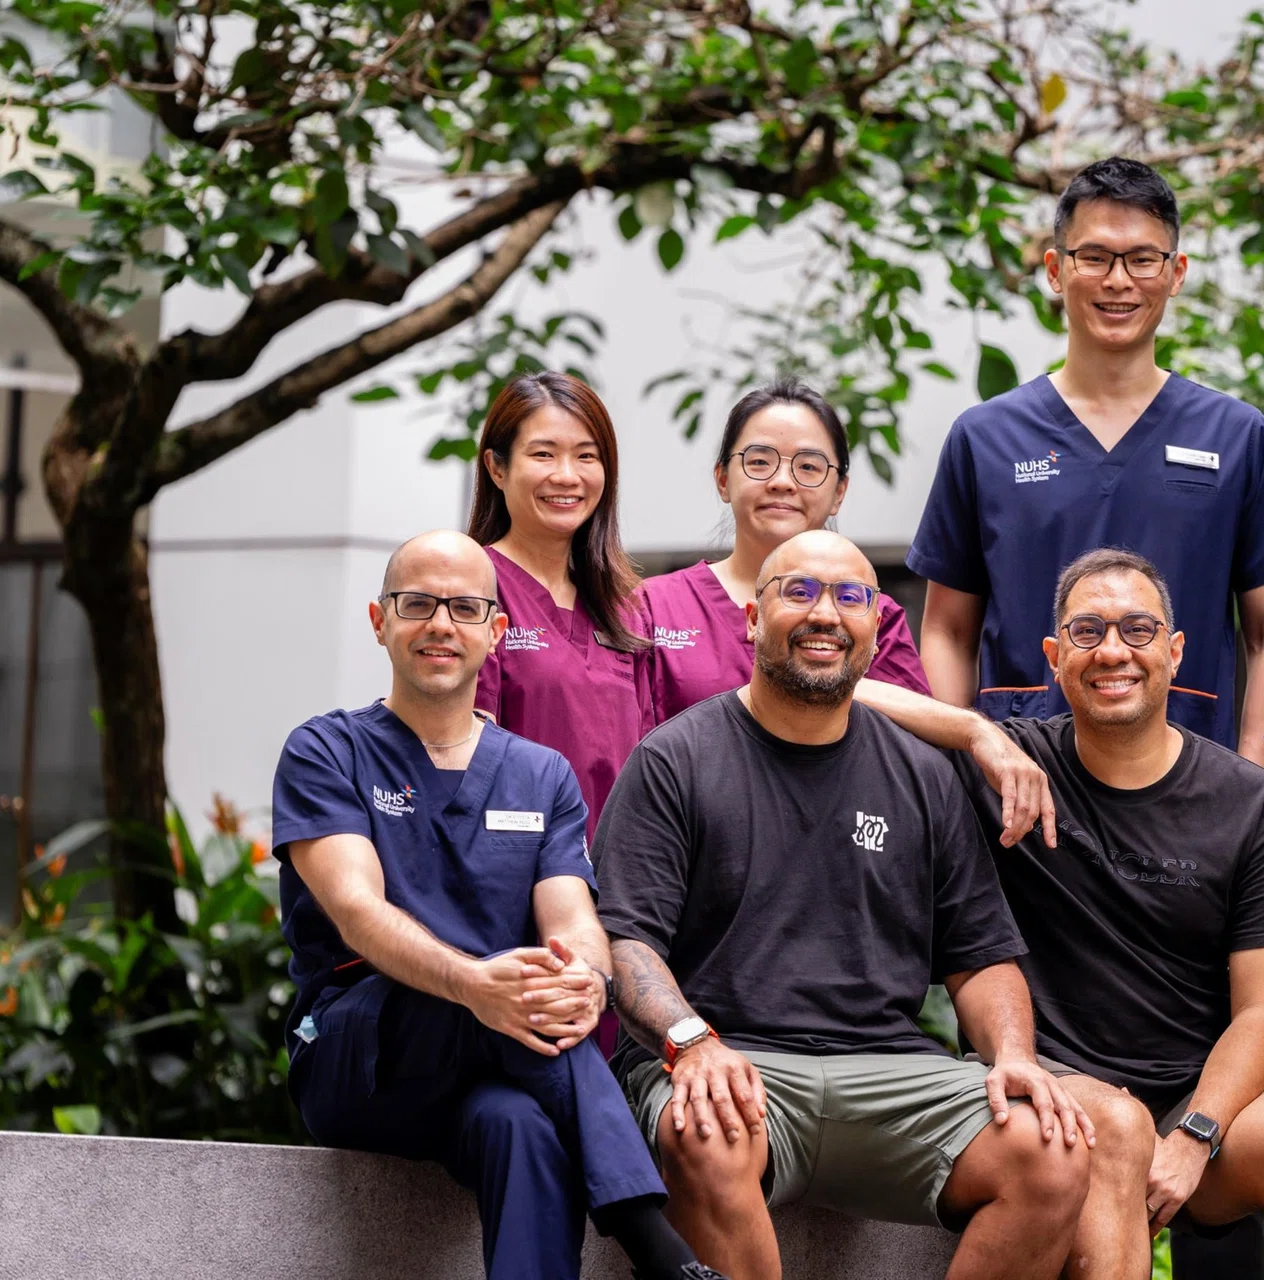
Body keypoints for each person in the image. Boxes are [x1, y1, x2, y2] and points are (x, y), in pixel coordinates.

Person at [593, 530, 1093, 1280]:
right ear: (752, 621)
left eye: (851, 597)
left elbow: (980, 955)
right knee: (702, 1126)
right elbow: (625, 942)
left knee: (1050, 1150)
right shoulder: (675, 759)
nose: (825, 613)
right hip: (731, 1056)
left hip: (888, 1070)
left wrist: (1015, 1055)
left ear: (874, 628)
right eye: (798, 591)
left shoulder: (923, 775)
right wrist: (690, 1042)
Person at [860, 548, 1264, 1280]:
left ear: (1174, 649)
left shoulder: (1247, 800)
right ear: (1053, 657)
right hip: (1056, 1086)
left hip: (1194, 1099)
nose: (1113, 653)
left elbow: (1263, 1010)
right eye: (1088, 633)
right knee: (1117, 1128)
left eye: (1137, 630)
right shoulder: (1012, 771)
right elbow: (850, 690)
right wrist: (975, 730)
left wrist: (1196, 1135)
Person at [269, 530, 722, 1280]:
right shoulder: (327, 751)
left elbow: (573, 922)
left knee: (520, 1130)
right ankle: (659, 1249)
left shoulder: (539, 775)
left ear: (496, 633)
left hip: (502, 1061)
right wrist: (474, 986)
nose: (440, 624)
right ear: (380, 622)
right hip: (361, 1052)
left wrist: (583, 978)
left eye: (465, 607)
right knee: (479, 1000)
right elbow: (358, 911)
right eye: (417, 604)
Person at [908, 156, 1264, 768]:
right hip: (1023, 787)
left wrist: (1247, 783)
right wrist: (961, 771)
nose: (1118, 280)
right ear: (1056, 269)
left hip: (1191, 785)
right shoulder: (986, 437)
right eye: (1095, 257)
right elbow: (947, 631)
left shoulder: (1237, 436)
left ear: (1176, 272)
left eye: (1142, 259)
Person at [642, 378, 930, 726]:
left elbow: (909, 744)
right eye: (760, 462)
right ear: (722, 480)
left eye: (809, 466)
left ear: (839, 492)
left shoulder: (871, 613)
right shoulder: (653, 607)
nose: (782, 481)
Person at [469, 371, 648, 839]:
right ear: (497, 467)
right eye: (543, 454)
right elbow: (460, 756)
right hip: (515, 871)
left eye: (587, 456)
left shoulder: (625, 607)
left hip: (618, 882)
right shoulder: (474, 590)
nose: (567, 476)